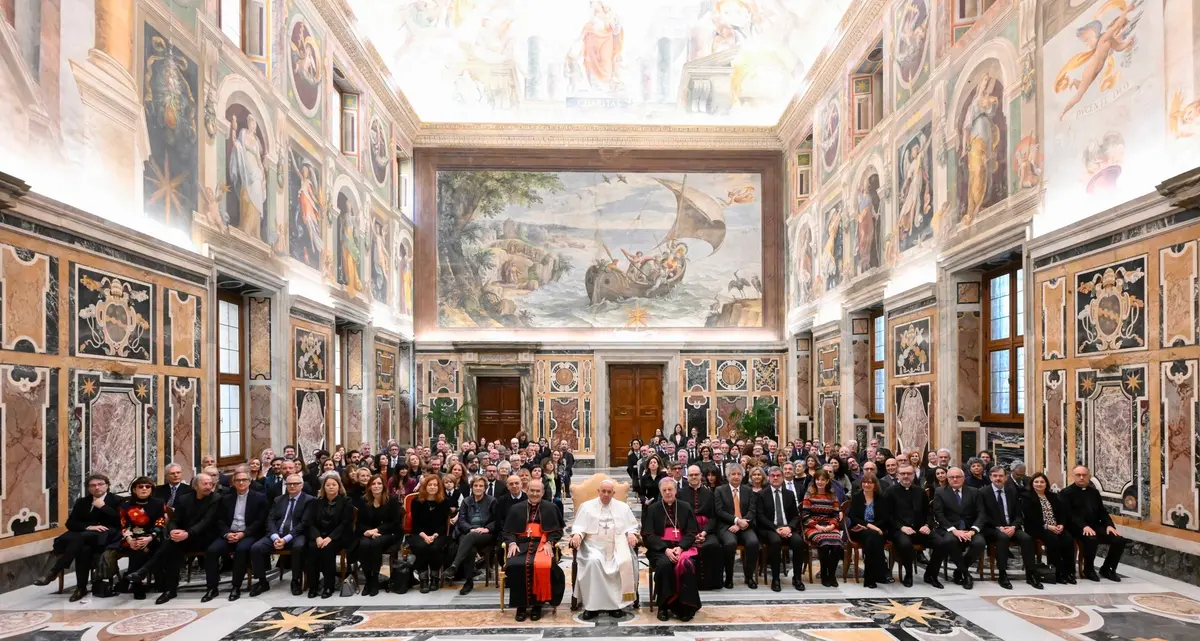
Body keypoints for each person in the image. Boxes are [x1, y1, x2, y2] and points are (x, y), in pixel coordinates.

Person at [131, 473, 218, 604]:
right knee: (171, 545)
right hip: (185, 536)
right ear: (195, 486)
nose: (208, 487)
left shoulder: (215, 498)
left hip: (206, 537)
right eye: (205, 484)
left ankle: (212, 588)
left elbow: (206, 521)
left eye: (210, 484)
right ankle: (170, 590)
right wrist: (173, 530)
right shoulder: (184, 499)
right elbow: (174, 519)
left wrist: (187, 533)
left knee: (211, 550)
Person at [36, 474, 122, 601]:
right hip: (85, 536)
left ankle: (54, 571)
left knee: (79, 539)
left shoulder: (117, 500)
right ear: (88, 488)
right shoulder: (82, 502)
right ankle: (80, 588)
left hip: (106, 535)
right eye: (93, 485)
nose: (97, 488)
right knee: (83, 549)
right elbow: (70, 523)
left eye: (100, 484)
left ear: (107, 485)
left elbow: (120, 521)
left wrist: (103, 507)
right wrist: (89, 527)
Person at [571, 478, 640, 619]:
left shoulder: (623, 507)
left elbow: (631, 525)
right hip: (592, 546)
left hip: (617, 545)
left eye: (609, 492)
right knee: (593, 562)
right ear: (598, 491)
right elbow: (579, 526)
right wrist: (577, 534)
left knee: (622, 562)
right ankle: (591, 606)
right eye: (603, 491)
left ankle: (615, 606)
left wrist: (632, 533)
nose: (606, 495)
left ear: (613, 493)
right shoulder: (586, 507)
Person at [503, 479, 565, 622]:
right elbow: (508, 531)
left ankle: (538, 604)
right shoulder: (516, 508)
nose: (535, 493)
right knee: (516, 565)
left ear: (543, 492)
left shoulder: (551, 508)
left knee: (542, 565)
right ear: (527, 491)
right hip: (521, 545)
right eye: (532, 490)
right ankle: (521, 606)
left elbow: (557, 531)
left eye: (538, 491)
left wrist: (550, 542)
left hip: (542, 545)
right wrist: (511, 543)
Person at [204, 467, 267, 602]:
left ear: (249, 482)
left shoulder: (259, 498)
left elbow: (259, 521)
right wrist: (227, 534)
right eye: (238, 480)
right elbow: (219, 520)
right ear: (233, 483)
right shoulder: (226, 499)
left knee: (241, 549)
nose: (241, 483)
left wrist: (243, 534)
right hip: (230, 533)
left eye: (244, 480)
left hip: (249, 534)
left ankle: (236, 586)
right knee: (212, 550)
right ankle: (212, 587)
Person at [96, 477, 165, 600]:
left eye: (147, 487)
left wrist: (150, 537)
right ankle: (136, 582)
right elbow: (124, 525)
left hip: (153, 537)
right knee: (137, 547)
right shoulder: (126, 505)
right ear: (134, 489)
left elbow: (160, 523)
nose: (144, 489)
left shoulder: (158, 503)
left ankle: (133, 582)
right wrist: (129, 538)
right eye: (141, 487)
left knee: (143, 547)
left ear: (151, 489)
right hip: (131, 537)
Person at [643, 477, 701, 621]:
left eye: (670, 489)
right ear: (660, 492)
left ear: (675, 491)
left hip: (682, 547)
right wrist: (666, 550)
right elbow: (648, 535)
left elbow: (691, 532)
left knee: (688, 565)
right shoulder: (652, 509)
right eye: (664, 490)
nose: (668, 492)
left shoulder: (685, 507)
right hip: (660, 550)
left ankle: (685, 606)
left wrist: (681, 547)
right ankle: (663, 606)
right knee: (665, 565)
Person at [250, 473, 312, 596]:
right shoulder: (278, 500)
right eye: (289, 484)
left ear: (302, 485)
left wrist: (286, 539)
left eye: (295, 484)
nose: (292, 486)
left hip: (296, 535)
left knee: (299, 547)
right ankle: (262, 582)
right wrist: (275, 536)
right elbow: (270, 520)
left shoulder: (309, 500)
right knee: (256, 547)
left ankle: (295, 581)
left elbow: (304, 524)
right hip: (277, 535)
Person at [1060, 465, 1126, 582]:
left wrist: (1109, 525)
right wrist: (1084, 526)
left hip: (1095, 526)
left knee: (1119, 540)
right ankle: (1088, 569)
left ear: (1089, 476)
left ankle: (1107, 568)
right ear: (1073, 476)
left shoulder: (1094, 492)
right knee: (1091, 538)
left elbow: (1102, 512)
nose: (1081, 478)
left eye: (1084, 475)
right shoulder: (1066, 493)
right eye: (1078, 475)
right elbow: (1069, 515)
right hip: (1076, 528)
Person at [980, 466, 1042, 590]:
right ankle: (1002, 574)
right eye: (995, 476)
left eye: (1001, 476)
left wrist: (1014, 526)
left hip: (1012, 527)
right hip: (992, 528)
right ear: (990, 477)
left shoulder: (1012, 491)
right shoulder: (982, 493)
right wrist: (998, 527)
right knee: (1002, 538)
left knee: (1026, 538)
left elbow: (1018, 514)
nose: (998, 478)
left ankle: (1031, 574)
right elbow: (983, 515)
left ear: (1006, 477)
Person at [932, 467, 986, 589]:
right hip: (950, 528)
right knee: (949, 541)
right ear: (948, 478)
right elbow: (939, 514)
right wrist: (954, 530)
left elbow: (981, 513)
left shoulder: (974, 492)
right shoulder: (940, 492)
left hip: (969, 528)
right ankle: (966, 574)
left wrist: (973, 531)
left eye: (958, 477)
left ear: (963, 478)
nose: (955, 479)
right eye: (952, 477)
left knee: (979, 543)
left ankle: (959, 570)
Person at [890, 463, 942, 588]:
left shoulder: (920, 492)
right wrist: (901, 527)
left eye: (909, 473)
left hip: (920, 529)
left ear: (914, 475)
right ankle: (908, 574)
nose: (906, 476)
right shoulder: (890, 492)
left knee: (942, 543)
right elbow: (887, 515)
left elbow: (928, 513)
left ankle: (931, 574)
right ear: (897, 476)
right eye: (903, 474)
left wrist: (927, 525)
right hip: (899, 530)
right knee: (905, 544)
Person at [444, 476, 498, 595]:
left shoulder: (492, 501)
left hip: (486, 534)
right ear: (472, 487)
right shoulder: (466, 501)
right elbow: (461, 521)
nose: (478, 488)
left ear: (485, 488)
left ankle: (455, 565)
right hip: (469, 532)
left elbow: (496, 520)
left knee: (469, 538)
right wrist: (472, 529)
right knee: (470, 547)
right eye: (475, 486)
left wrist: (486, 529)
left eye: (481, 486)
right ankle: (468, 581)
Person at [756, 466, 806, 591]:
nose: (776, 478)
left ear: (783, 477)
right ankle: (776, 579)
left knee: (799, 542)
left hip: (787, 528)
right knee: (775, 542)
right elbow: (760, 517)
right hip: (770, 529)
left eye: (778, 475)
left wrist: (789, 527)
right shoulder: (762, 494)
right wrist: (775, 528)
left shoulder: (789, 494)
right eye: (773, 476)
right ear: (768, 478)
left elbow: (796, 516)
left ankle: (797, 578)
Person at [305, 473, 353, 598]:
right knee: (311, 548)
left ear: (339, 486)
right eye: (328, 485)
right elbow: (310, 523)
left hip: (338, 536)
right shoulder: (316, 502)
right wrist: (318, 537)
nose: (331, 487)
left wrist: (330, 538)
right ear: (323, 488)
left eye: (334, 485)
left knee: (328, 549)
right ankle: (313, 586)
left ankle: (328, 586)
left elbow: (345, 523)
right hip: (319, 536)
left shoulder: (346, 501)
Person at [714, 464, 760, 589]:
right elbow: (719, 511)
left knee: (753, 542)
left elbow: (752, 511)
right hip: (727, 526)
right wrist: (736, 520)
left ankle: (749, 576)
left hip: (745, 525)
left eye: (738, 474)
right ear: (727, 476)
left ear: (742, 476)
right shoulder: (719, 490)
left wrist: (740, 524)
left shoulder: (748, 490)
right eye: (733, 474)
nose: (736, 477)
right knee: (729, 544)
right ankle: (729, 577)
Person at [1025, 472, 1076, 584]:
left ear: (1046, 484)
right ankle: (1056, 573)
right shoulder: (1027, 497)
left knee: (1068, 539)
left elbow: (1062, 512)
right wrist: (1048, 526)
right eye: (1036, 482)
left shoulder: (1052, 496)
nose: (1039, 484)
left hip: (1056, 526)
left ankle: (1069, 572)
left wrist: (1061, 524)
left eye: (1042, 482)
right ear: (1032, 483)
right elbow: (1030, 517)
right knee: (1053, 540)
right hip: (1038, 527)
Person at [678, 465, 723, 590]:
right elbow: (680, 516)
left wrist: (703, 533)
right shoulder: (680, 493)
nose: (694, 477)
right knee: (688, 549)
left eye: (696, 474)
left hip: (706, 530)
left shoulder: (709, 493)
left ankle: (710, 582)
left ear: (701, 476)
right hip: (687, 530)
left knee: (713, 545)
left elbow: (713, 517)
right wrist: (693, 534)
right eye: (691, 475)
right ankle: (692, 583)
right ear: (687, 477)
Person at [355, 475, 399, 596]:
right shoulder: (364, 500)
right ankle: (368, 579)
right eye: (373, 484)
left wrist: (377, 530)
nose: (376, 486)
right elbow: (359, 523)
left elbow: (394, 523)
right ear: (369, 487)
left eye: (379, 483)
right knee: (363, 544)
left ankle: (374, 580)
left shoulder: (392, 500)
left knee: (375, 544)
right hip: (368, 533)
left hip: (388, 533)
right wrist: (367, 532)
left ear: (383, 486)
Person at [847, 472, 891, 589]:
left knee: (871, 540)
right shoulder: (857, 497)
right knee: (873, 537)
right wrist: (870, 526)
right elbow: (853, 516)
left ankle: (869, 577)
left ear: (875, 485)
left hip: (877, 530)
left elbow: (884, 518)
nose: (866, 485)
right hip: (859, 529)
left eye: (869, 482)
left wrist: (874, 527)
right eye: (864, 482)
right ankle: (881, 572)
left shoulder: (881, 498)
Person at [409, 473, 451, 593]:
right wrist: (425, 536)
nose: (432, 487)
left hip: (438, 534)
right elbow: (415, 524)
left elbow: (443, 525)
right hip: (419, 534)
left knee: (434, 547)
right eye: (430, 484)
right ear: (425, 486)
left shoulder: (444, 502)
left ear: (439, 487)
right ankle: (423, 578)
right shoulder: (416, 502)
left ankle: (434, 576)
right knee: (422, 546)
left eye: (435, 485)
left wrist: (434, 536)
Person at [803, 469, 844, 588]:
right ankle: (824, 574)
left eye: (822, 480)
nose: (820, 482)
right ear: (814, 481)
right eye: (817, 479)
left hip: (830, 525)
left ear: (827, 481)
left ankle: (832, 575)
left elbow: (836, 514)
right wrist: (817, 526)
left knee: (837, 545)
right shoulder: (809, 494)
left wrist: (832, 525)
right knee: (824, 545)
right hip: (813, 526)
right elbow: (805, 515)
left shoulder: (832, 494)